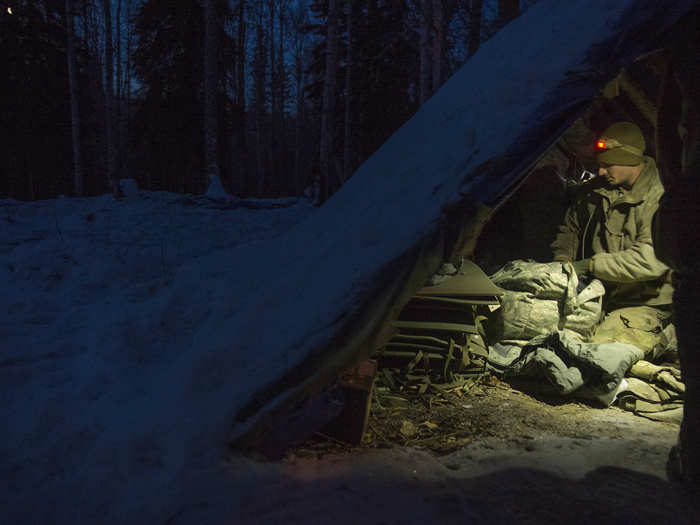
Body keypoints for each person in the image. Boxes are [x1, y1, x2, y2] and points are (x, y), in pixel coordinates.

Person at [551, 121, 674, 358]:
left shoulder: (660, 197)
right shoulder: (598, 191)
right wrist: (563, 262)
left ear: (630, 162)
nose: (601, 172)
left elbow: (651, 259)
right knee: (551, 336)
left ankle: (668, 340)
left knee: (599, 355)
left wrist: (591, 266)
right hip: (600, 295)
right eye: (600, 165)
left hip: (645, 304)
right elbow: (571, 228)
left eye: (608, 166)